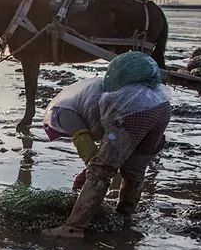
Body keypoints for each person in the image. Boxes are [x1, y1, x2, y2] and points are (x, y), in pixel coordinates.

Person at [43, 51, 172, 238]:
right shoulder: (86, 92)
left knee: (101, 171)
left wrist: (89, 171)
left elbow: (87, 146)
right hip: (161, 107)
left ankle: (74, 228)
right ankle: (124, 215)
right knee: (135, 170)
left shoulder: (61, 113)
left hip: (132, 109)